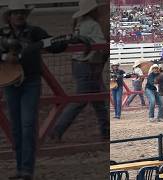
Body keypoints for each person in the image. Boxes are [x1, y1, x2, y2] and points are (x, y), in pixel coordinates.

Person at [0, 1, 69, 179]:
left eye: (21, 13)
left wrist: (63, 41)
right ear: (10, 16)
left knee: (27, 125)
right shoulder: (5, 34)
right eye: (16, 13)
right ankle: (22, 169)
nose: (19, 16)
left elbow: (53, 45)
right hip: (13, 83)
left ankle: (25, 170)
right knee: (18, 127)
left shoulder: (35, 32)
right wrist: (5, 56)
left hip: (27, 81)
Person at [50, 0, 107, 141]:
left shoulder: (80, 24)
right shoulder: (92, 25)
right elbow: (101, 45)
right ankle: (57, 129)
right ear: (92, 11)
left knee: (99, 99)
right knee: (81, 100)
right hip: (88, 65)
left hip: (80, 64)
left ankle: (106, 131)